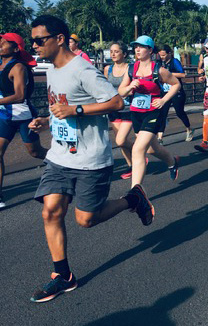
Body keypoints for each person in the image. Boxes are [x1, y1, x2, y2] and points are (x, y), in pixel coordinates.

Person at [27, 15, 153, 303]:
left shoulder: (83, 70)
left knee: (86, 220)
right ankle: (63, 276)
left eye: (39, 40)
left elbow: (117, 102)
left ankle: (132, 199)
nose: (35, 45)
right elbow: (61, 104)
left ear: (59, 38)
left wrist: (76, 111)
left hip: (90, 159)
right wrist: (47, 120)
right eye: (33, 40)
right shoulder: (52, 69)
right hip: (60, 156)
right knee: (50, 212)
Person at [118, 35, 181, 191]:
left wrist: (163, 100)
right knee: (152, 149)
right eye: (136, 47)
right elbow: (121, 91)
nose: (137, 49)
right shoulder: (131, 69)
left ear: (150, 50)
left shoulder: (158, 70)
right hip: (136, 111)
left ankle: (136, 191)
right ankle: (172, 161)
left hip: (153, 112)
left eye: (141, 46)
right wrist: (130, 86)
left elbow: (176, 84)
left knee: (138, 149)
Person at [0, 33, 47, 208]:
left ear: (15, 48)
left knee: (35, 153)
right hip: (4, 116)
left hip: (23, 116)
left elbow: (19, 96)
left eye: (5, 42)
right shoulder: (0, 65)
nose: (1, 43)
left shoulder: (18, 67)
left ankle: (64, 163)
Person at [103, 41, 135, 180]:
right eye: (111, 51)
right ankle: (132, 166)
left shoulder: (131, 68)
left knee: (121, 140)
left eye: (116, 51)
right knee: (119, 141)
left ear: (124, 54)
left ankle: (139, 153)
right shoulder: (108, 69)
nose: (113, 54)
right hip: (113, 108)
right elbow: (104, 87)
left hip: (128, 108)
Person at [156, 44, 193, 143]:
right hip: (164, 91)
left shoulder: (175, 62)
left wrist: (168, 74)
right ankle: (160, 137)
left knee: (179, 112)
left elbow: (182, 74)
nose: (162, 57)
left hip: (176, 91)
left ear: (169, 54)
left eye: (163, 55)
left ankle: (188, 129)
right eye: (160, 55)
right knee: (162, 113)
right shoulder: (159, 63)